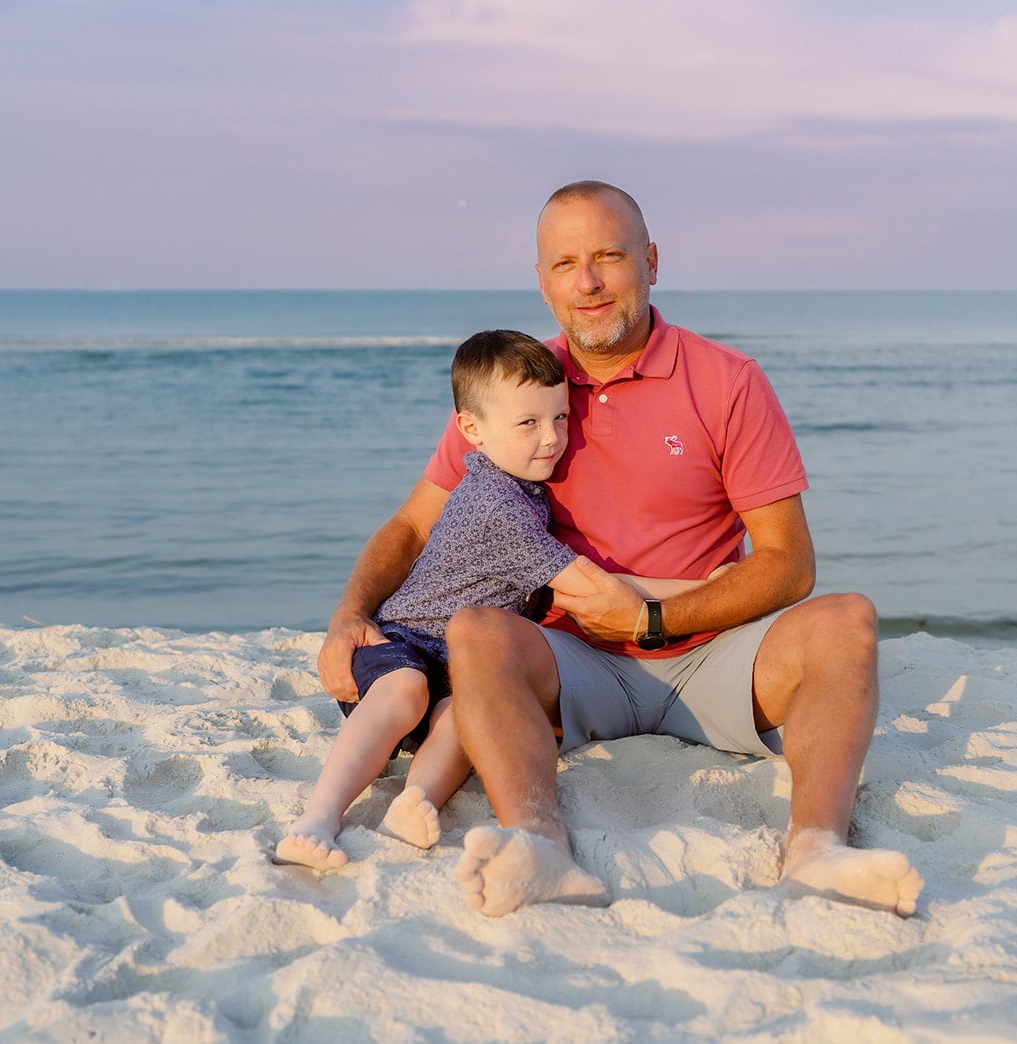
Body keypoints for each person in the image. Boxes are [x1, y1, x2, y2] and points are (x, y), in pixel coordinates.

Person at [318, 181, 924, 918]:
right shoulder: (516, 390)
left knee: (847, 620)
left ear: (651, 261)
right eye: (565, 263)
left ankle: (817, 849)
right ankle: (540, 848)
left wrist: (651, 619)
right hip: (570, 664)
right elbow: (414, 526)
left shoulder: (728, 381)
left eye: (608, 256)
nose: (588, 282)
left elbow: (789, 563)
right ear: (542, 282)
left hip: (713, 651)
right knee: (476, 630)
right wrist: (351, 614)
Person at [281, 329, 707, 871]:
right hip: (402, 643)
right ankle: (318, 817)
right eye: (528, 423)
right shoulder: (498, 505)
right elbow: (596, 588)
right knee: (408, 687)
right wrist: (705, 588)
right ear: (471, 430)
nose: (551, 438)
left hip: (458, 665)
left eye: (560, 417)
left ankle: (415, 800)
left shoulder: (520, 486)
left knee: (465, 712)